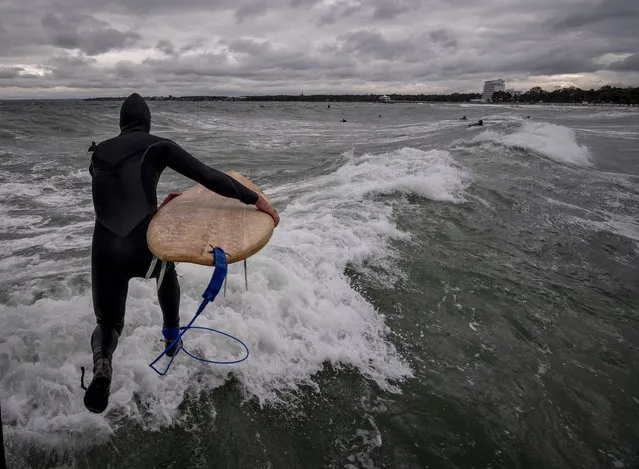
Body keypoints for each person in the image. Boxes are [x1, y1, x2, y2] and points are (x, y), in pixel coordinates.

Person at [84, 93, 279, 414]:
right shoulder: (159, 146)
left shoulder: (99, 152)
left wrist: (160, 207)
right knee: (165, 274)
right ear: (148, 122)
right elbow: (209, 176)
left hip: (104, 247)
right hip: (142, 243)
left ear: (121, 124)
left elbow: (119, 198)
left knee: (109, 324)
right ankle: (172, 338)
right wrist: (253, 199)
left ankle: (103, 362)